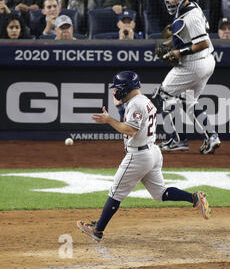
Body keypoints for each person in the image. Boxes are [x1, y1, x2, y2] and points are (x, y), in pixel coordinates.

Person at [77, 71, 211, 242]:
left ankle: (98, 230)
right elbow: (129, 122)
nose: (115, 91)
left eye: (117, 88)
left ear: (125, 88)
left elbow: (129, 130)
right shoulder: (143, 101)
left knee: (115, 193)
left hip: (138, 156)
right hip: (152, 152)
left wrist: (109, 120)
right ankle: (194, 198)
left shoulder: (136, 105)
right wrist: (118, 107)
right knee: (160, 193)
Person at [151, 0, 221, 154]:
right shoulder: (188, 8)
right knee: (188, 101)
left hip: (194, 63)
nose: (171, 0)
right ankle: (212, 137)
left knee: (163, 96)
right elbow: (186, 35)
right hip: (203, 62)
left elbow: (203, 42)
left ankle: (175, 140)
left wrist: (178, 52)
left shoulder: (192, 15)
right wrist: (170, 43)